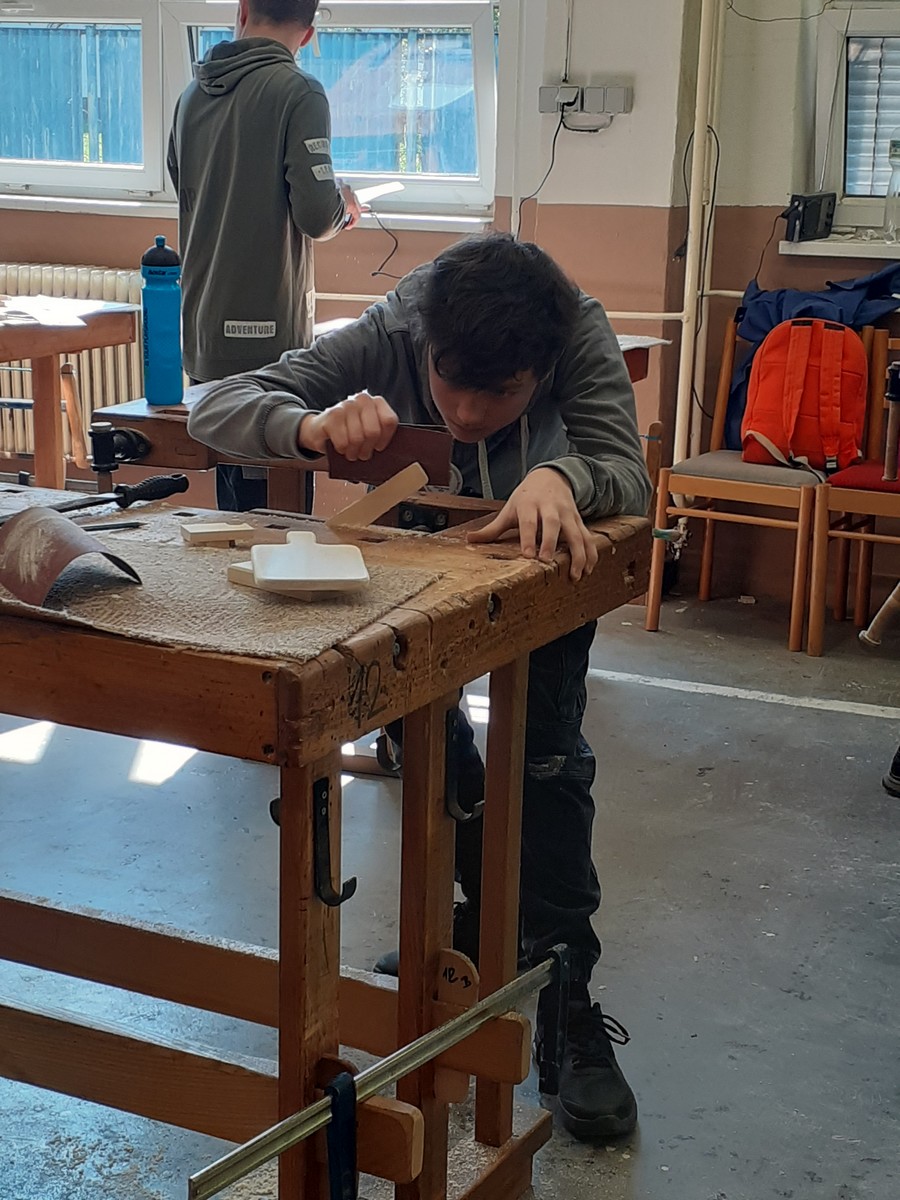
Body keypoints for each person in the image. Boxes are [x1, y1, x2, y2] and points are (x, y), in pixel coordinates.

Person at [188, 232, 651, 1140]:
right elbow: (218, 404)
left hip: (545, 564)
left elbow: (628, 473)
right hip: (415, 577)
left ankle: (565, 995)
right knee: (424, 744)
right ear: (426, 344)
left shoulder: (576, 328)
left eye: (500, 393)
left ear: (540, 368)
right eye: (449, 383)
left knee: (547, 765)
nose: (468, 413)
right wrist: (309, 428)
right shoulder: (399, 324)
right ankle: (478, 934)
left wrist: (564, 473)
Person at [167, 0, 361, 511]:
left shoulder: (191, 95)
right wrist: (343, 205)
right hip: (269, 340)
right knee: (278, 518)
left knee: (235, 509)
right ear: (308, 34)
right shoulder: (299, 92)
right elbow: (316, 217)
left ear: (243, 9)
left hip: (204, 330)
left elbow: (188, 190)